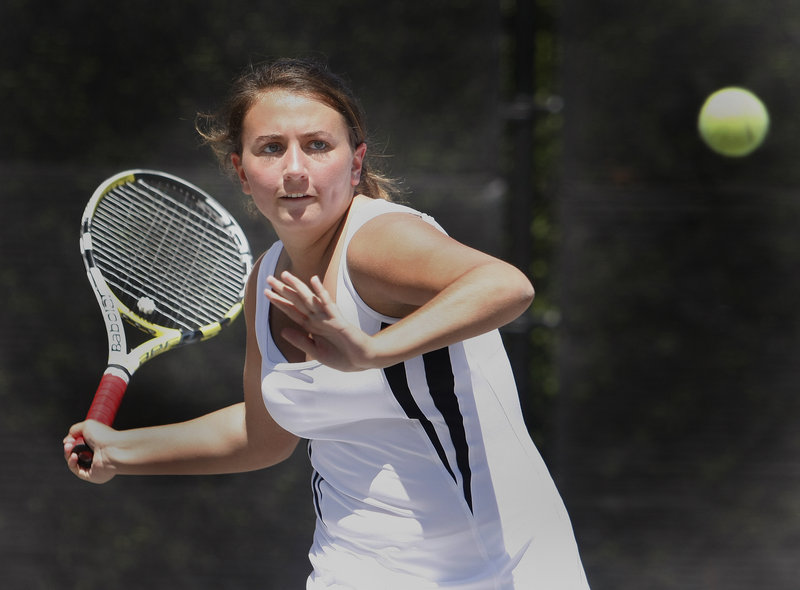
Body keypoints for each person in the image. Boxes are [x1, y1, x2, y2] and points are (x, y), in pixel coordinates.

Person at [64, 57, 589, 589]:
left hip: (497, 570)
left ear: (355, 163)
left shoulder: (378, 240)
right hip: (350, 570)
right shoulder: (264, 280)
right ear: (243, 173)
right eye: (271, 148)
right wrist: (119, 451)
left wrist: (372, 352)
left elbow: (506, 285)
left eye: (318, 145)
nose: (295, 168)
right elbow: (262, 435)